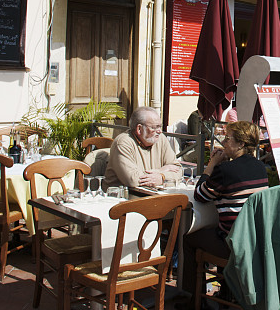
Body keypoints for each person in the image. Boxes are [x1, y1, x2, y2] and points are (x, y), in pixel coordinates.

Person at [180, 121, 268, 308]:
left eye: (228, 139)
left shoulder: (225, 171)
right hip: (255, 241)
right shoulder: (259, 167)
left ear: (241, 144)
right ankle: (227, 292)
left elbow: (200, 195)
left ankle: (194, 299)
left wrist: (211, 164)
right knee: (219, 229)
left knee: (188, 239)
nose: (224, 143)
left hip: (234, 245)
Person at [104, 106, 182, 188]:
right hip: (123, 196)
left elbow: (178, 170)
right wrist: (160, 171)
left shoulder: (160, 139)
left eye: (160, 126)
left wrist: (162, 177)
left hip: (153, 194)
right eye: (154, 127)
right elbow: (133, 181)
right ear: (139, 129)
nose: (159, 131)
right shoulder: (123, 143)